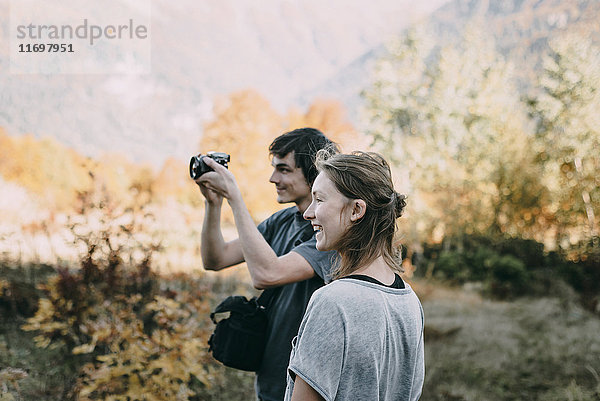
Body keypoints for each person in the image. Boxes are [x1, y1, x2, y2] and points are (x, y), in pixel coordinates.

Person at [196, 128, 339, 401]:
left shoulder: (330, 232)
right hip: (271, 377)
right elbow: (215, 259)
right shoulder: (282, 221)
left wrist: (235, 198)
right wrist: (214, 204)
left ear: (312, 173)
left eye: (284, 170)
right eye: (275, 169)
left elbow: (266, 275)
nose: (273, 178)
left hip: (307, 384)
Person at [285, 150, 425, 401]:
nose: (308, 213)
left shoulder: (333, 302)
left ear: (356, 210)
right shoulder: (410, 301)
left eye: (319, 200)